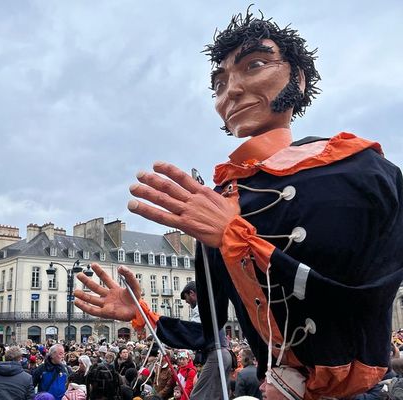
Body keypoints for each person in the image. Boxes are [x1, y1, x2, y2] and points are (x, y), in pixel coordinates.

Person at [75, 7, 403, 400]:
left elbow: (368, 295)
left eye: (255, 65)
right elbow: (217, 334)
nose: (230, 91)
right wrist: (144, 315)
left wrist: (237, 237)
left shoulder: (359, 170)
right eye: (219, 83)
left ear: (295, 78)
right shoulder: (226, 198)